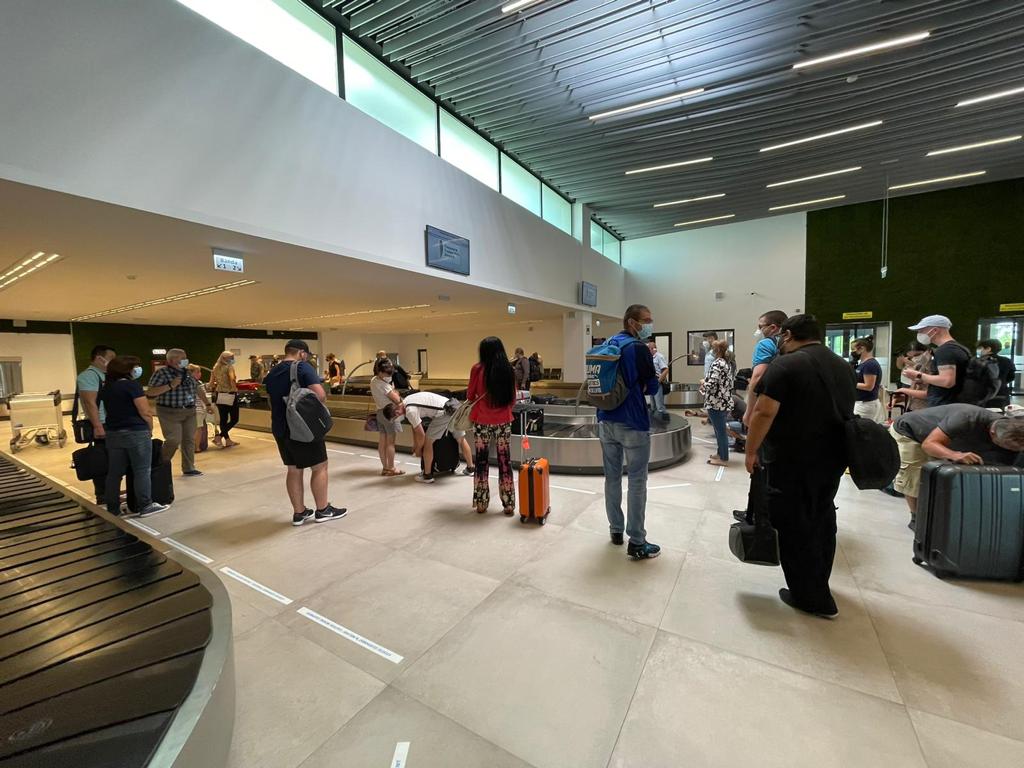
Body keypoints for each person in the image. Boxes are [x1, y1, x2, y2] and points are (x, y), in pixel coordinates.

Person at [744, 314, 856, 618]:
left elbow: (764, 412)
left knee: (793, 523)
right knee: (822, 516)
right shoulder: (841, 365)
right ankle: (819, 581)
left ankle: (809, 595)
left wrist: (751, 450)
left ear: (788, 335)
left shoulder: (786, 365)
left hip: (793, 458)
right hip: (833, 457)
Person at [890, 404, 1024, 529]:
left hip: (948, 439)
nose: (1008, 450)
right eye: (1005, 446)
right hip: (911, 432)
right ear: (992, 432)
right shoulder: (967, 417)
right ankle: (916, 519)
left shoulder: (1015, 434)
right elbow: (929, 445)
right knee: (914, 478)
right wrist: (954, 455)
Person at [598, 305, 661, 560]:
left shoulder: (608, 344)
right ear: (632, 322)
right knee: (636, 480)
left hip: (605, 419)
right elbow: (653, 387)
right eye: (646, 320)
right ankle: (637, 541)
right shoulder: (638, 348)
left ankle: (615, 529)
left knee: (612, 478)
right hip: (632, 421)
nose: (650, 324)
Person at [261, 340, 345, 525]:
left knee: (293, 469)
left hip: (280, 427)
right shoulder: (302, 367)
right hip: (302, 427)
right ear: (301, 353)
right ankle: (323, 510)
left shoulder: (273, 371)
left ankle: (299, 513)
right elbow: (320, 394)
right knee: (320, 466)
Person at [100, 355, 168, 518]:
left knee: (114, 473)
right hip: (136, 432)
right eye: (135, 367)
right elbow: (145, 411)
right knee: (142, 470)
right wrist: (149, 428)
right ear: (127, 370)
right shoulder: (132, 386)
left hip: (113, 433)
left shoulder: (107, 387)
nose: (137, 370)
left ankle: (113, 507)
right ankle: (146, 505)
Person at [468, 337, 516, 515]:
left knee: (481, 461)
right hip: (504, 421)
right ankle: (509, 503)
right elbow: (512, 398)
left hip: (482, 422)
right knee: (505, 460)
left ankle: (481, 503)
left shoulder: (477, 369)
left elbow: (470, 395)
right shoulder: (508, 369)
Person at [146, 348, 213, 477]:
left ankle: (188, 468)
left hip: (189, 411)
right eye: (182, 358)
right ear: (172, 360)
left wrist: (208, 404)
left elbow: (197, 388)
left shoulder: (187, 372)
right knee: (173, 439)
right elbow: (150, 392)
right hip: (169, 412)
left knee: (189, 440)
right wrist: (170, 385)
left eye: (185, 357)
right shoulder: (161, 373)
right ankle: (160, 464)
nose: (185, 360)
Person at [383, 392, 475, 483]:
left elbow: (421, 435)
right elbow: (415, 427)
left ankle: (427, 476)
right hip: (453, 407)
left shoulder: (410, 411)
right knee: (461, 439)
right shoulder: (407, 400)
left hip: (443, 413)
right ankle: (470, 468)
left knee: (428, 442)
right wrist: (415, 444)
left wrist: (418, 450)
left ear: (397, 413)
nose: (397, 420)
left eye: (395, 419)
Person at [76, 344, 117, 504]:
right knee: (102, 460)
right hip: (102, 424)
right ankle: (103, 496)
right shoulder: (89, 376)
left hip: (112, 422)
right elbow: (89, 402)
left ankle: (111, 492)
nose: (114, 361)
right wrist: (98, 426)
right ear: (99, 358)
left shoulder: (105, 375)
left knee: (113, 460)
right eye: (111, 358)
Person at [901, 315, 970, 407]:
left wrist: (918, 375)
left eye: (921, 330)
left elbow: (947, 381)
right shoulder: (958, 348)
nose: (919, 334)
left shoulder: (946, 350)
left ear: (935, 330)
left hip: (945, 407)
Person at [743, 311, 788, 428]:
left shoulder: (765, 344)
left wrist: (749, 413)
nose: (758, 331)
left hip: (771, 401)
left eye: (760, 326)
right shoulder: (792, 343)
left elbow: (758, 377)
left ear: (773, 327)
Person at [371, 356, 405, 476]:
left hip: (380, 413)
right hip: (389, 414)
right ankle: (391, 468)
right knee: (390, 443)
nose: (389, 376)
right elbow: (397, 400)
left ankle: (385, 467)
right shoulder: (384, 385)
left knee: (382, 442)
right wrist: (396, 393)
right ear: (380, 372)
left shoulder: (374, 380)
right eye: (387, 374)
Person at [704, 339, 735, 466]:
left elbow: (712, 383)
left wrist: (703, 383)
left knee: (720, 431)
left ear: (716, 350)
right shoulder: (726, 363)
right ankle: (720, 453)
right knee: (718, 430)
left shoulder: (717, 363)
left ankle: (723, 458)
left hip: (716, 403)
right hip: (723, 401)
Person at [208, 351, 240, 448]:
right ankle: (219, 437)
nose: (233, 359)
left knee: (223, 419)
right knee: (234, 419)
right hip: (230, 394)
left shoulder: (215, 367)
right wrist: (234, 388)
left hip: (219, 394)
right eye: (232, 357)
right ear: (226, 358)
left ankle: (227, 440)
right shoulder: (229, 367)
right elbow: (232, 378)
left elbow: (211, 383)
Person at [851, 336, 886, 423]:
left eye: (853, 349)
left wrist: (850, 382)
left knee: (862, 428)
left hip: (866, 404)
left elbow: (869, 386)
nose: (852, 352)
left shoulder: (870, 364)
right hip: (861, 402)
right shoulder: (862, 363)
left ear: (862, 349)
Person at [977, 338, 1017, 408]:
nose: (979, 350)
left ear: (988, 349)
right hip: (1002, 394)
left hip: (982, 395)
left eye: (981, 348)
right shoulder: (1007, 361)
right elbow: (1011, 377)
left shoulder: (978, 361)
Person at [188, 364, 209, 452]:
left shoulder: (198, 382)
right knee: (198, 429)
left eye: (200, 371)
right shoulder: (193, 383)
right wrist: (208, 405)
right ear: (191, 373)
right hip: (197, 409)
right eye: (197, 372)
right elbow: (201, 395)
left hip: (196, 409)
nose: (200, 373)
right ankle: (196, 447)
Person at [648, 340, 670, 419]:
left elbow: (666, 370)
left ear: (652, 348)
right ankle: (654, 421)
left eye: (648, 348)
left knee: (659, 405)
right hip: (651, 382)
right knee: (653, 405)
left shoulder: (659, 357)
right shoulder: (650, 357)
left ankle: (664, 420)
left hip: (657, 382)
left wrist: (658, 381)